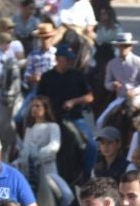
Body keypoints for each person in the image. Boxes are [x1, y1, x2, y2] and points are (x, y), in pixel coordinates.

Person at [17, 95, 74, 206]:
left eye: (37, 106)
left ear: (45, 109)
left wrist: (36, 155)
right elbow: (25, 149)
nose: (34, 109)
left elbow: (54, 146)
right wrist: (24, 158)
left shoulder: (53, 127)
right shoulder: (29, 129)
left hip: (48, 171)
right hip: (30, 170)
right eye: (33, 106)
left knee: (67, 195)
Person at [36, 47, 97, 175]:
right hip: (51, 119)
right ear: (57, 59)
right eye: (67, 59)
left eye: (71, 59)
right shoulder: (47, 77)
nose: (70, 61)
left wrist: (74, 101)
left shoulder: (78, 75)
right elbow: (39, 97)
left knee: (92, 146)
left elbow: (90, 97)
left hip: (73, 118)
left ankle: (87, 175)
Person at [96, 32, 140, 127]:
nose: (123, 48)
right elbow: (107, 83)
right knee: (100, 121)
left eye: (126, 46)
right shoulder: (112, 64)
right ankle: (102, 140)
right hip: (121, 98)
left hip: (139, 98)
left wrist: (136, 91)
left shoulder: (139, 62)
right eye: (121, 46)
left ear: (131, 47)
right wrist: (112, 85)